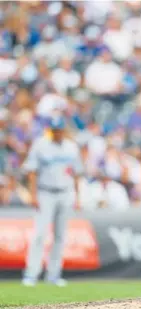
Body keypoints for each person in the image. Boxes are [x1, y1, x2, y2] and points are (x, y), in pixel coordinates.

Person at [21, 115, 83, 287]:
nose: (57, 133)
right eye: (54, 130)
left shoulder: (71, 147)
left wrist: (78, 197)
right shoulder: (40, 145)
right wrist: (33, 195)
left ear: (63, 130)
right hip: (45, 192)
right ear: (51, 130)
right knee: (40, 234)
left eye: (59, 130)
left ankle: (53, 275)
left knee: (60, 235)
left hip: (65, 192)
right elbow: (32, 171)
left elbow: (76, 173)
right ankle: (31, 274)